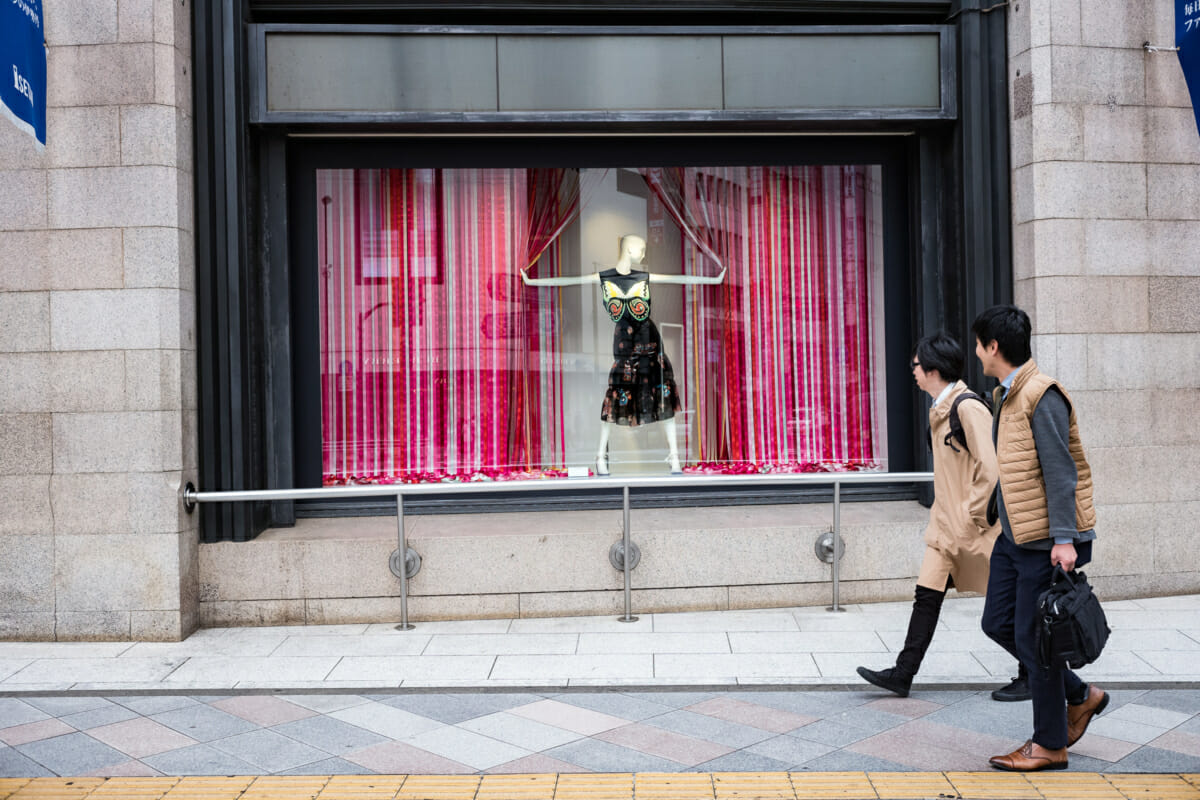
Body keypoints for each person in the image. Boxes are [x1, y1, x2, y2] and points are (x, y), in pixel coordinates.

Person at [972, 305, 1108, 772]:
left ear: (993, 347)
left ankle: (1049, 744)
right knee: (998, 623)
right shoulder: (1007, 395)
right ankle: (1079, 695)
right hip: (1016, 537)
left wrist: (1065, 540)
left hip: (1046, 540)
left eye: (978, 344)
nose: (977, 352)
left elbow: (1060, 472)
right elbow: (1017, 469)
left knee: (1037, 641)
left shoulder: (1040, 394)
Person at [857, 332, 1015, 698]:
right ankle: (903, 672)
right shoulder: (940, 409)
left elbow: (990, 469)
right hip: (944, 529)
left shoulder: (967, 408)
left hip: (973, 529)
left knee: (1006, 606)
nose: (911, 372)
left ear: (932, 369)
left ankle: (1033, 672)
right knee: (926, 598)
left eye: (915, 366)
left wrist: (973, 515)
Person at [520, 234, 724, 475]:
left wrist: (713, 279)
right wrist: (532, 282)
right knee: (617, 396)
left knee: (662, 395)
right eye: (642, 249)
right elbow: (569, 280)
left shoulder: (643, 277)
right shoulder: (604, 277)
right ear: (629, 250)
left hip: (650, 342)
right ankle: (600, 456)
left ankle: (674, 456)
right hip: (624, 346)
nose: (644, 254)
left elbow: (680, 278)